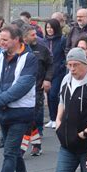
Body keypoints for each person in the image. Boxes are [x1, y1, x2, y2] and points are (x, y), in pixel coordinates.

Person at [0, 25, 38, 172]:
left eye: (5, 40)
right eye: (1, 39)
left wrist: (0, 99)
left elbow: (23, 85)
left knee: (9, 153)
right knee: (13, 152)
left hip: (20, 113)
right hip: (2, 112)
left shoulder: (29, 58)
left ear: (16, 40)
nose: (1, 42)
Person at [55, 48, 87, 172]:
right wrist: (58, 120)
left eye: (75, 65)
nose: (72, 69)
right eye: (69, 65)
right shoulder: (66, 79)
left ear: (85, 64)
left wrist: (85, 133)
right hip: (67, 145)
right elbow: (62, 101)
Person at [21, 25, 53, 156]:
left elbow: (51, 65)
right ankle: (37, 144)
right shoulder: (19, 51)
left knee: (29, 118)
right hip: (22, 90)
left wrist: (48, 79)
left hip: (37, 89)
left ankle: (21, 149)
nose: (36, 37)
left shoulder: (42, 49)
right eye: (32, 35)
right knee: (28, 119)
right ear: (24, 38)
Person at [43, 19, 66, 129]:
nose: (49, 30)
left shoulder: (62, 40)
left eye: (51, 28)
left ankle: (57, 118)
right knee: (48, 94)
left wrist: (61, 66)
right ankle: (52, 119)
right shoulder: (44, 41)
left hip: (58, 72)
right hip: (47, 72)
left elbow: (65, 55)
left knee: (53, 94)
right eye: (47, 28)